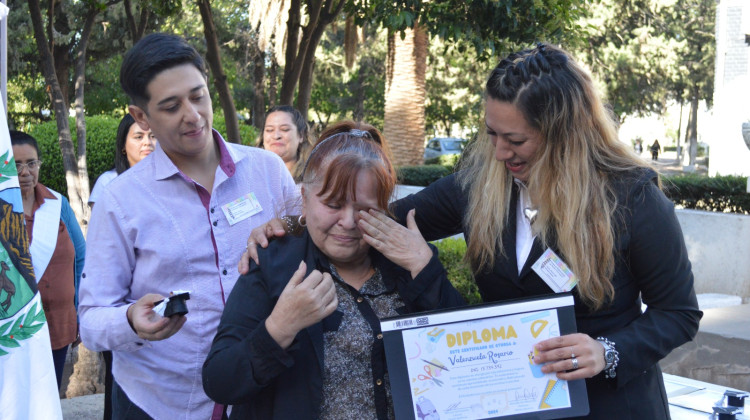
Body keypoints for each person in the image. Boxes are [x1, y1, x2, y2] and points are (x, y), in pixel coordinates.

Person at [241, 44, 702, 419]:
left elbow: (678, 312)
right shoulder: (482, 184)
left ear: (565, 133)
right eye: (491, 134)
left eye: (516, 140)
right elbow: (376, 219)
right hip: (510, 402)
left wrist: (608, 352)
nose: (500, 152)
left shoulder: (632, 197)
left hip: (611, 406)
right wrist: (293, 225)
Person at [78, 33, 298, 420]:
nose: (193, 115)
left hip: (261, 391)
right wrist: (130, 320)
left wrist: (294, 225)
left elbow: (310, 246)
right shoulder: (121, 199)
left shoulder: (267, 171)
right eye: (170, 106)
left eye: (198, 96)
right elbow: (92, 319)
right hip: (162, 402)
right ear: (141, 116)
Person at [202, 121, 464, 419]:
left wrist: (424, 267)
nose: (349, 222)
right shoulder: (274, 264)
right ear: (304, 200)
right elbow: (219, 381)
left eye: (365, 208)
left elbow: (465, 360)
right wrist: (280, 327)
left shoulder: (406, 263)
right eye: (334, 204)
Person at [10, 130, 86, 389]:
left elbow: (81, 256)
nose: (24, 172)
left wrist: (78, 309)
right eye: (15, 164)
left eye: (31, 163)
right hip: (11, 327)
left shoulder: (57, 204)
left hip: (58, 324)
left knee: (49, 397)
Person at [88, 113, 156, 207]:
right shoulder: (108, 181)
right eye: (139, 137)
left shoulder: (172, 180)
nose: (148, 142)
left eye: (153, 136)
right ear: (123, 145)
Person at [257, 105, 313, 182]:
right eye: (270, 130)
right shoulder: (250, 175)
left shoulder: (315, 178)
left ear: (301, 135)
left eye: (285, 129)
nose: (276, 136)